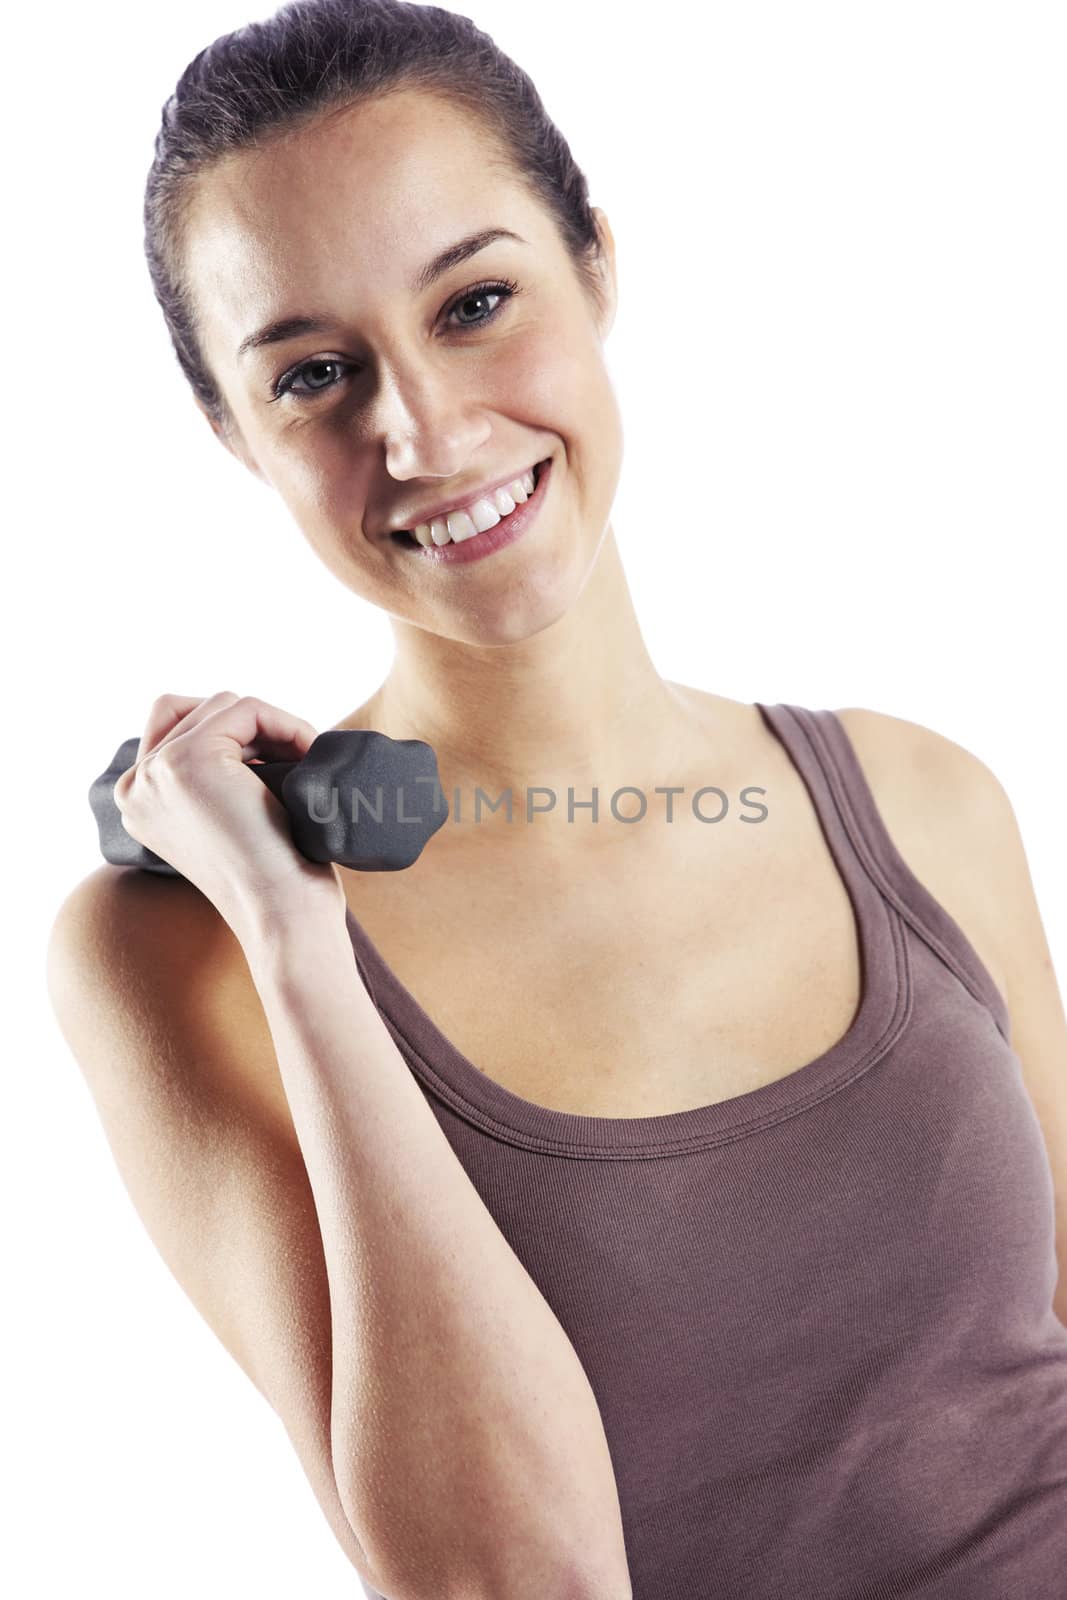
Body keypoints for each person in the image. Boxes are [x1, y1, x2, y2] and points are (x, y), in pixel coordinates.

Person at [45, 2, 1067, 1596]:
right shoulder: (184, 951)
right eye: (313, 374)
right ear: (233, 434)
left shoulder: (924, 801)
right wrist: (304, 951)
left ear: (597, 262)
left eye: (476, 302)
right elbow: (503, 1584)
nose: (424, 431)